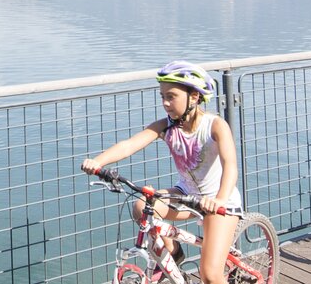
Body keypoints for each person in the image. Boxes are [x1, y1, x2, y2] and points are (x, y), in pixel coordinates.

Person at [81, 61, 244, 283]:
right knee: (142, 207)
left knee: (210, 275)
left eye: (171, 96)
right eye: (162, 96)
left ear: (194, 97)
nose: (165, 103)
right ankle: (174, 253)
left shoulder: (214, 125)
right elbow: (129, 145)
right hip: (186, 194)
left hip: (219, 202)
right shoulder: (166, 126)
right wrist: (97, 162)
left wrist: (220, 199)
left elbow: (230, 165)